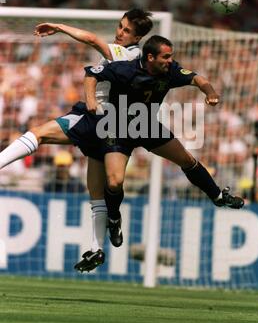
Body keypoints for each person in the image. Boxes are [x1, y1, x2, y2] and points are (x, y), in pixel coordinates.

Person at [0, 9, 153, 271]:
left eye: (126, 30)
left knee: (37, 134)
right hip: (109, 127)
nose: (119, 32)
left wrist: (59, 27)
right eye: (120, 26)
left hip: (94, 118)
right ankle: (97, 249)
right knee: (96, 194)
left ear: (137, 37)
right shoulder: (133, 55)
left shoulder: (125, 54)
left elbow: (93, 39)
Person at [80, 34, 244, 269]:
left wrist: (210, 92)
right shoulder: (124, 70)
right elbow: (91, 74)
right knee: (115, 182)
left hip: (146, 125)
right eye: (166, 57)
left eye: (171, 57)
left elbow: (198, 78)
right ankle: (114, 219)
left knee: (186, 158)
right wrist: (90, 101)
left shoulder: (171, 71)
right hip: (116, 126)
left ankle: (218, 196)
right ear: (150, 57)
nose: (170, 61)